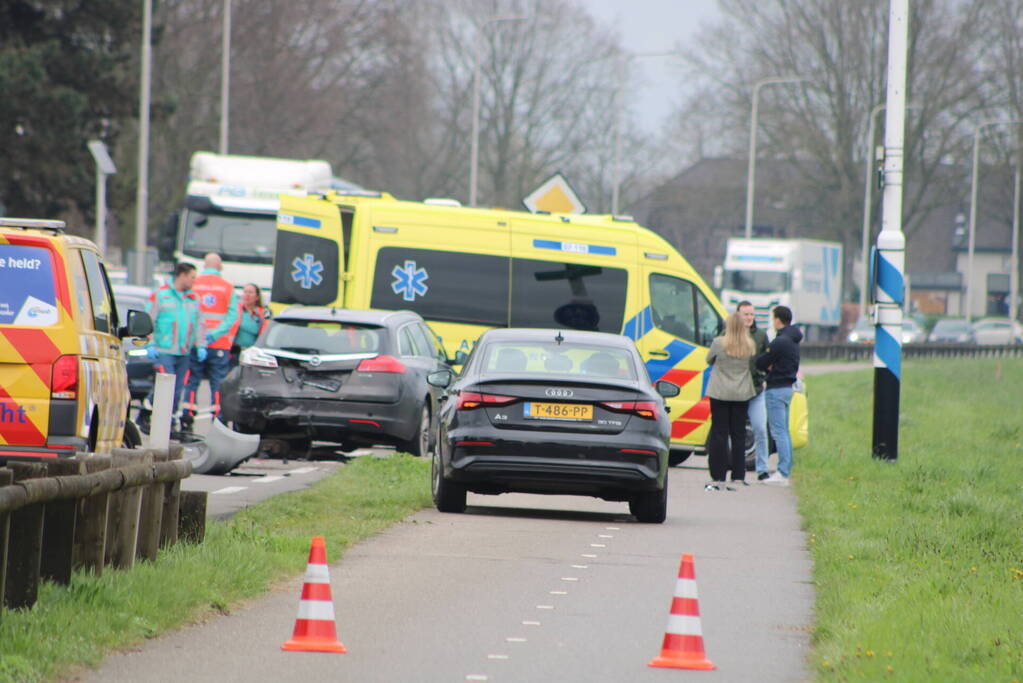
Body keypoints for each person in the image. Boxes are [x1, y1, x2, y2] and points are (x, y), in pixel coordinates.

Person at [139, 262, 206, 432]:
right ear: (182, 275)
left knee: (177, 389)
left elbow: (199, 324)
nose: (194, 281)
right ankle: (147, 414)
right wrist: (150, 343)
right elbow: (149, 320)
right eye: (192, 277)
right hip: (164, 350)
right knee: (165, 386)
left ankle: (168, 421)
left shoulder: (193, 298)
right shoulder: (161, 295)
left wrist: (201, 345)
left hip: (184, 352)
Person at [182, 253, 239, 426]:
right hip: (219, 343)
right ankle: (218, 418)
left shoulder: (194, 284)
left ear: (204, 266)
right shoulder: (228, 287)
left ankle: (187, 414)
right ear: (220, 267)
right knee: (218, 381)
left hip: (194, 341)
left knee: (192, 379)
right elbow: (233, 316)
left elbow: (185, 312)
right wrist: (215, 333)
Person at [704, 311, 756, 491]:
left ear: (727, 326)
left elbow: (709, 359)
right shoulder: (749, 344)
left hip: (720, 392)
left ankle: (718, 475)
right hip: (741, 392)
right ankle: (738, 475)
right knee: (739, 434)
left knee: (719, 433)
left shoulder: (719, 343)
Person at [755, 305, 803, 486]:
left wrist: (768, 365)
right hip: (787, 388)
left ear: (777, 320)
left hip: (776, 388)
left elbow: (761, 362)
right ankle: (785, 469)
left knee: (778, 431)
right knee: (784, 431)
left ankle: (782, 473)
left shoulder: (779, 341)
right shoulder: (793, 339)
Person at [738, 301, 770, 481]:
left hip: (757, 391)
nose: (749, 318)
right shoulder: (730, 334)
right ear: (738, 316)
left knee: (760, 428)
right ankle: (736, 470)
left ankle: (762, 469)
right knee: (736, 431)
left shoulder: (761, 335)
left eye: (751, 314)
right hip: (736, 391)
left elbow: (768, 358)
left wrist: (764, 378)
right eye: (746, 314)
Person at [230, 282, 272, 367]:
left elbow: (265, 331)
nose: (247, 295)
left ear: (257, 297)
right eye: (245, 292)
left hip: (253, 353)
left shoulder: (263, 312)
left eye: (250, 292)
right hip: (235, 351)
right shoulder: (236, 310)